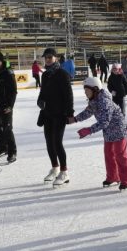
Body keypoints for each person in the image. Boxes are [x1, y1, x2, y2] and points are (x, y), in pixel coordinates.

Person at [69, 77, 127, 191]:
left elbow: (104, 121)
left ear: (95, 89)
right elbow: (87, 112)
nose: (85, 92)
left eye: (86, 90)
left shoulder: (104, 101)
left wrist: (89, 130)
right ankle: (113, 177)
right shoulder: (94, 100)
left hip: (119, 130)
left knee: (120, 155)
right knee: (109, 154)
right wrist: (74, 119)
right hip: (109, 132)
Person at [37, 47, 74, 187]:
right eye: (45, 57)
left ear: (56, 58)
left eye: (50, 57)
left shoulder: (62, 74)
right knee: (49, 142)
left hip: (60, 114)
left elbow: (68, 95)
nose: (47, 60)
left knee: (57, 142)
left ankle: (64, 172)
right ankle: (55, 167)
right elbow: (43, 92)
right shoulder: (45, 75)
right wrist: (40, 100)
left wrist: (69, 113)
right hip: (47, 113)